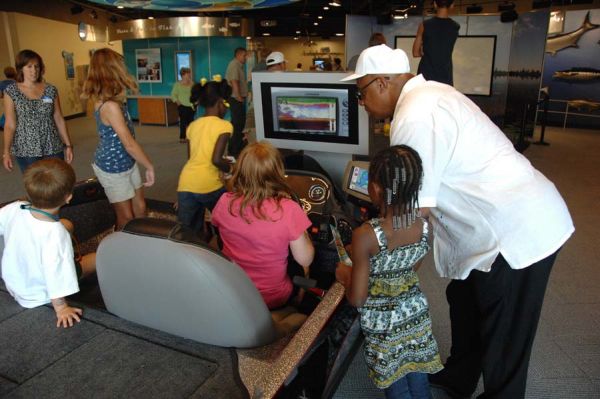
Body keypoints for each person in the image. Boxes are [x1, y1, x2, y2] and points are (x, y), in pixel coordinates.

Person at [341, 44, 574, 399]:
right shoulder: (433, 93)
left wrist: (364, 251)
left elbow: (410, 214)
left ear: (382, 83)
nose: (363, 104)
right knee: (464, 299)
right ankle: (458, 377)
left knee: (505, 335)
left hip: (513, 233)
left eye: (361, 94)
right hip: (508, 216)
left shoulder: (414, 117)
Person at [336, 145, 442, 398]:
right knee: (417, 369)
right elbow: (410, 268)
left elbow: (358, 298)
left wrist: (344, 273)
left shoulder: (366, 235)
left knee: (395, 379)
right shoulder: (425, 226)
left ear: (375, 189)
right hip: (415, 314)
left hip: (385, 324)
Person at [211, 141, 314, 310]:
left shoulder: (224, 201)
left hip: (234, 290)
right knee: (304, 269)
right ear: (277, 172)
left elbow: (217, 231)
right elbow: (305, 258)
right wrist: (303, 232)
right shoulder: (288, 209)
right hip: (273, 297)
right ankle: (294, 312)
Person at [0, 159, 96, 328]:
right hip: (39, 293)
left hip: (16, 282)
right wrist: (61, 307)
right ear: (68, 197)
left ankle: (68, 253)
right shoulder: (55, 235)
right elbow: (55, 273)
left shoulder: (16, 208)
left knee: (67, 224)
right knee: (97, 258)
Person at [82, 48, 155, 231]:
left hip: (126, 162)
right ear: (111, 71)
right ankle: (119, 250)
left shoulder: (112, 101)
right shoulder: (110, 106)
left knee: (141, 207)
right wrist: (149, 165)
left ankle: (141, 240)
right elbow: (129, 144)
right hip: (112, 168)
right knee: (126, 218)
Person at [177, 76, 234, 236]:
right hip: (209, 184)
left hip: (186, 183)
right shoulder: (224, 125)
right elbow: (216, 160)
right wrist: (231, 167)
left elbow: (191, 158)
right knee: (227, 223)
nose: (227, 109)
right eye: (227, 104)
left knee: (188, 232)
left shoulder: (192, 126)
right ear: (220, 103)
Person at [3, 50, 74, 173]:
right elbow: (9, 124)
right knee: (36, 185)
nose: (34, 70)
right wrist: (6, 152)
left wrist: (68, 145)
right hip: (26, 148)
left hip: (52, 144)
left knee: (59, 180)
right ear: (21, 68)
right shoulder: (11, 91)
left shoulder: (51, 90)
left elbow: (58, 118)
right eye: (29, 66)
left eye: (37, 66)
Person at [412, 0, 460, 85]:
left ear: (434, 4)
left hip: (425, 74)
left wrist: (424, 52)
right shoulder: (455, 27)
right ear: (452, 5)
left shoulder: (425, 25)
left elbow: (415, 53)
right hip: (445, 75)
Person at [225, 47, 248, 157]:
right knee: (238, 125)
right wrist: (239, 96)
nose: (246, 58)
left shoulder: (238, 65)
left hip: (237, 99)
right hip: (235, 99)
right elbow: (234, 81)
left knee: (239, 124)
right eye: (244, 55)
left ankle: (237, 149)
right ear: (238, 55)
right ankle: (233, 151)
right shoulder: (234, 65)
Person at [171, 67, 195, 144]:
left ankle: (190, 136)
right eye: (188, 73)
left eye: (189, 73)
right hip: (182, 106)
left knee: (191, 122)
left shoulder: (192, 84)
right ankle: (182, 137)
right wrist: (177, 102)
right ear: (183, 75)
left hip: (191, 106)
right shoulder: (177, 85)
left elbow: (195, 94)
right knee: (183, 122)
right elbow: (173, 95)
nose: (189, 75)